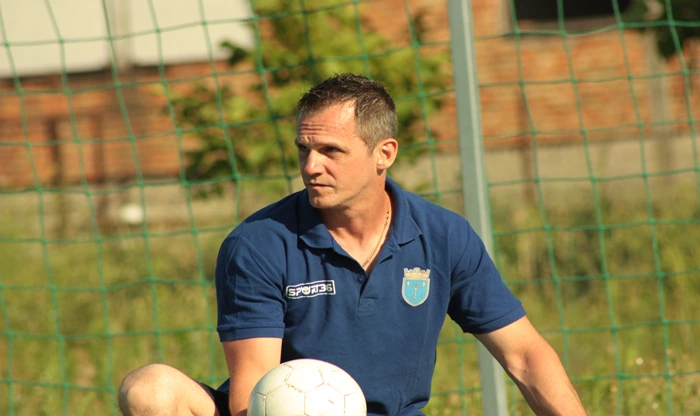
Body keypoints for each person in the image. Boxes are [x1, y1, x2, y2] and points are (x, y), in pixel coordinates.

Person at [118, 73, 586, 416]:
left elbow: (525, 354)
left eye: (331, 151)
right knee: (150, 389)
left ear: (384, 153)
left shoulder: (444, 235)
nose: (311, 166)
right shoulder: (258, 244)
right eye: (304, 149)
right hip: (270, 411)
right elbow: (252, 391)